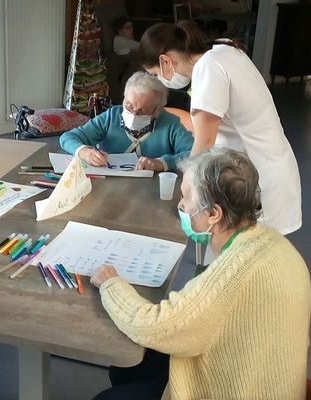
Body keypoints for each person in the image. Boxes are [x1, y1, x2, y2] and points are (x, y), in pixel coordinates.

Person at [91, 148, 310, 399]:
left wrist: (111, 284)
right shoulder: (269, 240)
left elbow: (153, 325)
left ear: (213, 214)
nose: (181, 204)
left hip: (239, 387)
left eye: (186, 197)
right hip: (264, 376)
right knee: (131, 365)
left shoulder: (233, 272)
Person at [138, 21, 301, 234]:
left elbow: (204, 144)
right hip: (268, 167)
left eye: (156, 74)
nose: (160, 80)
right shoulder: (224, 49)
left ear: (165, 60)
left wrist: (185, 193)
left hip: (258, 179)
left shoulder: (208, 68)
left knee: (250, 260)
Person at [59, 71, 193, 172]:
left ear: (157, 110)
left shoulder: (170, 124)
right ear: (124, 97)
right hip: (109, 187)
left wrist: (162, 163)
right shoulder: (111, 116)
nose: (133, 114)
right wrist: (85, 151)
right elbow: (68, 137)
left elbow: (194, 153)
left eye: (141, 111)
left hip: (151, 191)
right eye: (128, 106)